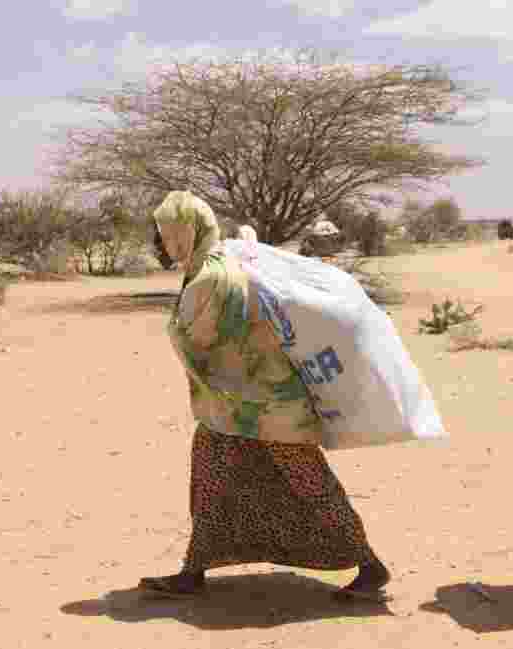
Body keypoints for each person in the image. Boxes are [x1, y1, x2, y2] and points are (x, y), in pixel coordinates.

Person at [139, 192, 391, 602]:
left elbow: (195, 339)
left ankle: (370, 565)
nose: (160, 242)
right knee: (210, 480)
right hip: (237, 404)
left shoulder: (209, 278)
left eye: (165, 233)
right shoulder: (219, 264)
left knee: (310, 481)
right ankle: (193, 570)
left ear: (185, 232)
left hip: (269, 405)